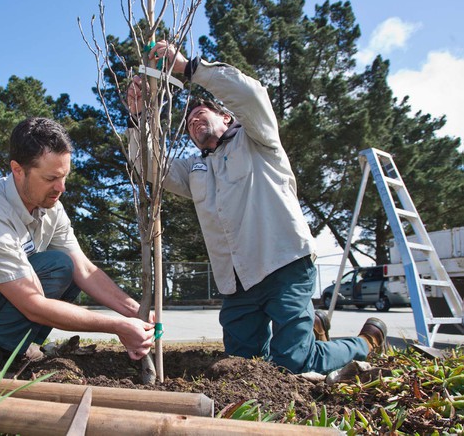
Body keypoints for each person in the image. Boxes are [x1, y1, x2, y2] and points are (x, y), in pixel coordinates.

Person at [125, 41, 386, 374]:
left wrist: (188, 68)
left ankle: (364, 343)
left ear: (226, 116)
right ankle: (311, 334)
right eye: (188, 123)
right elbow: (149, 165)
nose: (193, 122)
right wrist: (138, 116)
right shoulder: (195, 170)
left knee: (292, 365)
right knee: (241, 368)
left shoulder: (258, 139)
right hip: (238, 285)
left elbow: (252, 96)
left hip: (284, 265)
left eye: (200, 114)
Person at [0, 117, 154, 374]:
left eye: (64, 176)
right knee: (57, 265)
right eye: (51, 178)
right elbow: (32, 304)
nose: (61, 188)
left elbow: (83, 269)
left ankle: (17, 347)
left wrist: (135, 311)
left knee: (69, 268)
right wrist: (117, 327)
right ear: (18, 170)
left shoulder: (51, 207)